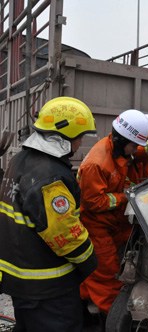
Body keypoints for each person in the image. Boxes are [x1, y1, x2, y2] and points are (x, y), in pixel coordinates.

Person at [0, 97, 98, 331]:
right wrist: (91, 262)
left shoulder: (18, 160)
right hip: (48, 287)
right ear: (67, 135)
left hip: (19, 280)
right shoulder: (50, 176)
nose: (80, 142)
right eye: (80, 136)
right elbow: (64, 234)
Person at [77, 109, 148, 315]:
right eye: (134, 145)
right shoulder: (96, 165)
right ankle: (111, 318)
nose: (136, 150)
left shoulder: (120, 149)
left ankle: (83, 307)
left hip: (114, 224)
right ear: (121, 140)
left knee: (117, 265)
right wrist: (127, 196)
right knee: (105, 275)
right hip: (97, 229)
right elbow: (94, 202)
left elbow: (143, 151)